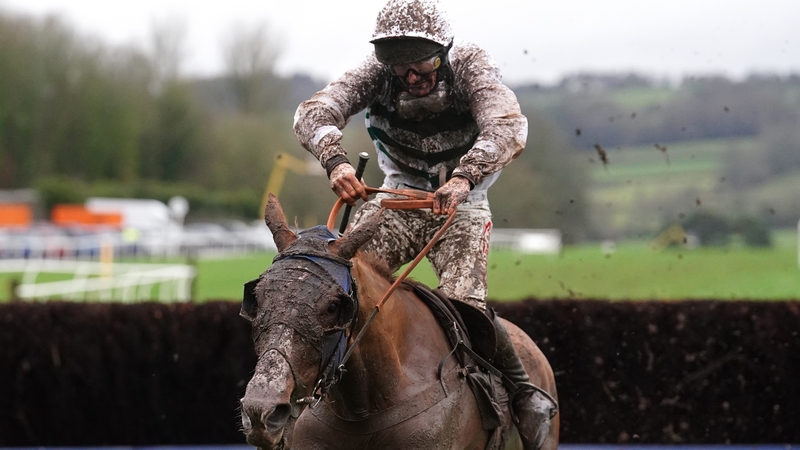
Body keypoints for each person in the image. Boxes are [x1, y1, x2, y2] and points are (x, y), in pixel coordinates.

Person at [293, 0, 551, 447]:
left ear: (445, 52)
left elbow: (508, 127)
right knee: (337, 288)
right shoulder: (373, 74)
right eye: (399, 65)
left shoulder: (470, 65)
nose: (412, 76)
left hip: (462, 205)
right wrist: (335, 163)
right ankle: (300, 393)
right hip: (396, 199)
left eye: (425, 62)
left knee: (465, 306)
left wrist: (465, 178)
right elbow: (311, 114)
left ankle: (523, 395)